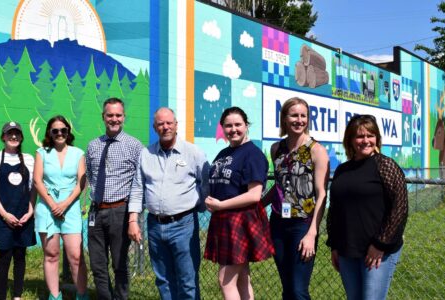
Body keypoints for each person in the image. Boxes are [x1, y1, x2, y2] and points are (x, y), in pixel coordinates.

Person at [128, 107, 210, 300]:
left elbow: (205, 183)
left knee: (187, 280)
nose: (165, 127)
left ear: (176, 125)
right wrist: (133, 219)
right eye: (160, 124)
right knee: (163, 280)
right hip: (155, 226)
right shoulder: (146, 154)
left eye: (169, 123)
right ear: (154, 127)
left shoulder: (193, 152)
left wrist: (199, 207)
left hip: (184, 226)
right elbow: (138, 187)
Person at [327, 114, 408, 300]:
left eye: (370, 135)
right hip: (347, 249)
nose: (365, 141)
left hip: (378, 251)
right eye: (359, 136)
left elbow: (400, 208)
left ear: (377, 138)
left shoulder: (386, 166)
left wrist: (380, 244)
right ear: (350, 140)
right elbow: (335, 211)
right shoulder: (342, 170)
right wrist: (335, 245)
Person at [261, 97, 329, 300]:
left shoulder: (316, 150)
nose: (299, 120)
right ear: (284, 118)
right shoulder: (276, 149)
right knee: (288, 287)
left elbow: (322, 194)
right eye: (294, 115)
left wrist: (312, 233)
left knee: (299, 290)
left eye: (303, 116)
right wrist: (256, 206)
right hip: (278, 224)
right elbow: (280, 186)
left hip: (303, 225)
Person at [204, 106, 275, 300]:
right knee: (242, 278)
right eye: (228, 126)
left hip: (240, 221)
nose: (233, 129)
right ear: (222, 128)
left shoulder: (253, 154)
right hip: (224, 219)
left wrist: (220, 205)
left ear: (246, 126)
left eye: (238, 125)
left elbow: (254, 195)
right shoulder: (224, 153)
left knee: (225, 280)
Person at [85, 98, 143, 300]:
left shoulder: (134, 146)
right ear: (103, 117)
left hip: (120, 211)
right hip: (96, 211)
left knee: (119, 263)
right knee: (97, 264)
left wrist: (133, 216)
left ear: (124, 117)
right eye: (110, 115)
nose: (114, 119)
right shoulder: (93, 145)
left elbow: (140, 181)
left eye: (118, 115)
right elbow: (91, 176)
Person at [33, 115, 88, 300]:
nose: (59, 134)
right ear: (50, 132)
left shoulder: (78, 153)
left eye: (63, 130)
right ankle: (55, 296)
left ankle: (81, 295)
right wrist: (52, 204)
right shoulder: (41, 153)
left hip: (70, 208)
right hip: (47, 209)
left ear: (68, 132)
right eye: (55, 130)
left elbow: (81, 182)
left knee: (76, 256)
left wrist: (64, 204)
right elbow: (37, 181)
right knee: (51, 254)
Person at [0, 122, 36, 300]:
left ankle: (17, 295)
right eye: (9, 134)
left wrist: (30, 212)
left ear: (21, 137)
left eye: (17, 134)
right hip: (2, 217)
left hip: (24, 216)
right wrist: (5, 215)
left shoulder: (29, 159)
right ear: (3, 137)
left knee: (20, 257)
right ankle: (1, 296)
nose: (13, 137)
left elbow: (33, 189)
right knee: (5, 257)